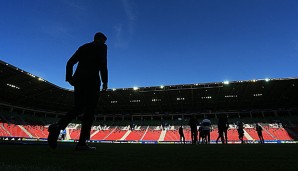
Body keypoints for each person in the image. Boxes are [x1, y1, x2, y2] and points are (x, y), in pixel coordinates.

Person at [48, 32, 108, 151]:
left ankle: (57, 126)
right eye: (104, 40)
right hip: (92, 81)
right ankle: (81, 143)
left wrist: (69, 78)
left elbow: (70, 62)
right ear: (100, 39)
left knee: (78, 108)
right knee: (89, 111)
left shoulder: (83, 47)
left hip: (79, 80)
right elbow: (103, 63)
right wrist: (105, 81)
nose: (105, 43)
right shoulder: (102, 46)